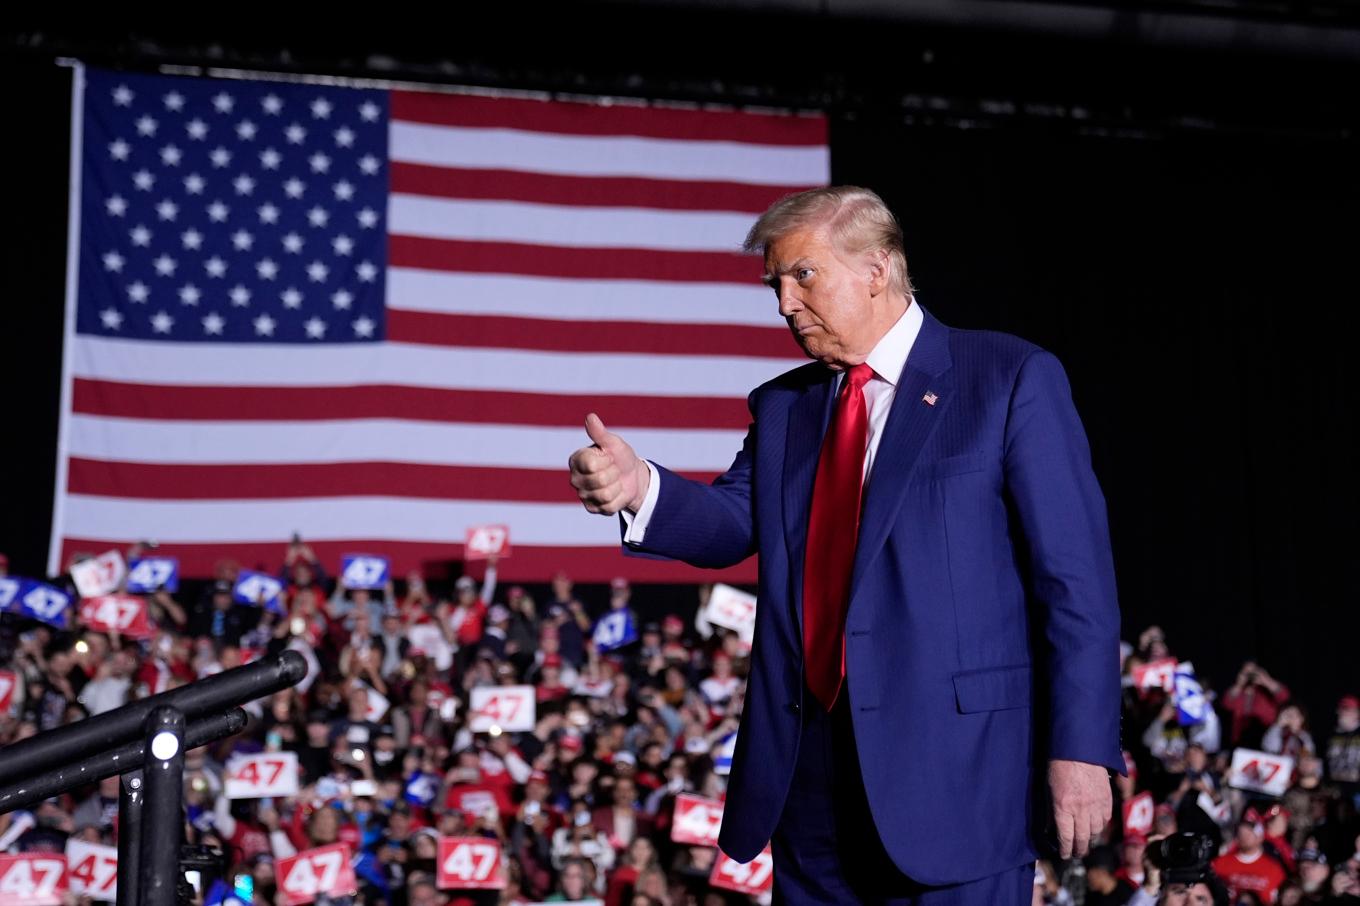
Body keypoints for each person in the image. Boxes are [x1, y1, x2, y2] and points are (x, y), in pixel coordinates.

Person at [569, 185, 1123, 904]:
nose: (784, 305)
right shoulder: (785, 405)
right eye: (776, 284)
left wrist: (1080, 749)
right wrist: (640, 487)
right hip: (811, 790)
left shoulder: (1007, 379)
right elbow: (733, 522)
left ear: (877, 269)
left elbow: (1074, 585)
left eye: (804, 276)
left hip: (957, 781)